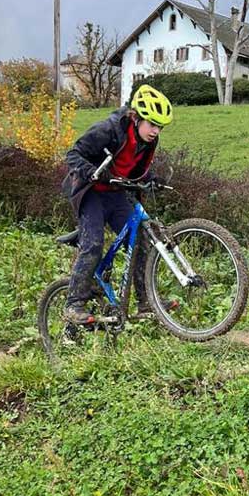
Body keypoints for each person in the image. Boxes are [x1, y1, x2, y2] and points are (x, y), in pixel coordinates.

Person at [61, 83, 173, 324]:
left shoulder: (148, 141)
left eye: (160, 127)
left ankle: (146, 302)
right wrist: (92, 172)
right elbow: (72, 155)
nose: (156, 131)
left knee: (142, 240)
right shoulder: (109, 129)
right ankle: (74, 304)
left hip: (115, 193)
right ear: (136, 117)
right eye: (152, 124)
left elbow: (134, 170)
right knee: (93, 244)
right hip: (90, 192)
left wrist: (151, 179)